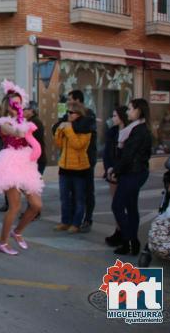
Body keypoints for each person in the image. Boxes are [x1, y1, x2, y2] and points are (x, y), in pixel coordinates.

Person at [0, 80, 43, 256]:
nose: (18, 105)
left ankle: (17, 231)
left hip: (25, 164)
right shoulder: (2, 123)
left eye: (20, 102)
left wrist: (26, 122)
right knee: (15, 206)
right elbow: (17, 133)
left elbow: (31, 137)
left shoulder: (24, 120)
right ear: (8, 105)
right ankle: (2, 242)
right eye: (14, 103)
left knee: (36, 205)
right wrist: (24, 122)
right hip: (9, 163)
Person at [108, 99, 152, 256]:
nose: (127, 112)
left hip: (133, 173)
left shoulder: (138, 130)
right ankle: (132, 242)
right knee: (131, 207)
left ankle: (130, 241)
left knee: (118, 206)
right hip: (134, 172)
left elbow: (128, 155)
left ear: (138, 111)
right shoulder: (136, 129)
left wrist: (115, 171)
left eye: (130, 109)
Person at [53, 90, 97, 233]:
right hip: (64, 167)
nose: (68, 115)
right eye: (67, 112)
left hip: (79, 168)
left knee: (79, 198)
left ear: (78, 114)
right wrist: (60, 131)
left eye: (71, 113)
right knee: (64, 197)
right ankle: (65, 221)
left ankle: (77, 223)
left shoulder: (85, 128)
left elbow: (78, 145)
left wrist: (69, 130)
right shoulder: (67, 126)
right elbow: (59, 143)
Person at [103, 105, 128, 247]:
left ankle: (125, 233)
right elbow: (107, 153)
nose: (112, 118)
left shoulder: (130, 132)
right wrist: (108, 169)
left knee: (124, 204)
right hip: (112, 172)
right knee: (116, 204)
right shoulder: (112, 132)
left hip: (125, 173)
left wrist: (117, 170)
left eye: (115, 116)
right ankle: (119, 231)